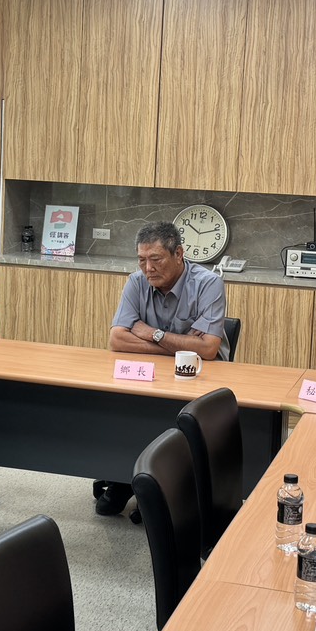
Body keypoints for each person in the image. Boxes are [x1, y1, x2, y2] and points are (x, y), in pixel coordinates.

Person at [96, 221, 228, 515]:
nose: (148, 268)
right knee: (122, 408)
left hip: (200, 379)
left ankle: (169, 492)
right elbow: (117, 340)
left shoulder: (208, 284)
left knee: (180, 419)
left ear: (179, 253)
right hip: (152, 375)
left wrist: (151, 333)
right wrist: (181, 346)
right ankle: (123, 478)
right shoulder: (136, 282)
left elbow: (208, 349)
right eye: (142, 260)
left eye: (155, 259)